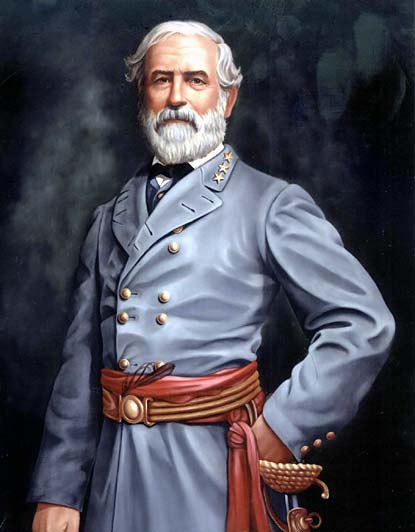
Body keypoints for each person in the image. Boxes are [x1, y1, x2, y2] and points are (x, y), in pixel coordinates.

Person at [28, 20, 395, 532]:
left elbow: (362, 325)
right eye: (161, 80)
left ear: (227, 99)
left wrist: (282, 427)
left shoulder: (270, 204)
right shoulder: (107, 218)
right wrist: (59, 491)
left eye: (195, 80)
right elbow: (80, 366)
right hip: (114, 479)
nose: (177, 97)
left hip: (211, 472)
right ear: (142, 95)